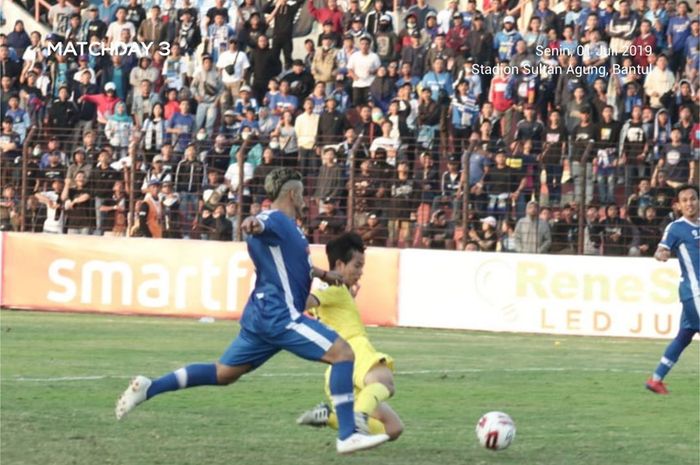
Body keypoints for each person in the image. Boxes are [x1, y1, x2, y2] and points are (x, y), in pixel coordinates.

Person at [115, 168, 390, 454]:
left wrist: (323, 274)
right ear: (293, 194)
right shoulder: (274, 219)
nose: (305, 200)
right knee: (343, 353)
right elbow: (258, 223)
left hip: (262, 316)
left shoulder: (292, 230)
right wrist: (251, 223)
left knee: (223, 373)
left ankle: (151, 387)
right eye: (302, 194)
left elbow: (296, 263)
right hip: (280, 314)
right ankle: (348, 433)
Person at [297, 232, 404, 440]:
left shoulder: (338, 291)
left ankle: (329, 417)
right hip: (354, 349)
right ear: (340, 264)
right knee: (385, 381)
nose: (360, 272)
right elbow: (305, 303)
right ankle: (359, 415)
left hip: (338, 365)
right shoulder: (333, 289)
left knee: (393, 428)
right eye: (357, 265)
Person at [645, 185, 699, 395]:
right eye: (684, 200)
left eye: (693, 199)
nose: (689, 204)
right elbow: (661, 250)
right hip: (694, 291)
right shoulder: (676, 228)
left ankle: (656, 379)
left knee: (685, 335)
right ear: (678, 205)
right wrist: (662, 255)